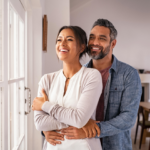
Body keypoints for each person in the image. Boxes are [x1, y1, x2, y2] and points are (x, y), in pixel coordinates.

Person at [42, 19, 142, 150]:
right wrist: (45, 130)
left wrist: (94, 130)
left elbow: (128, 118)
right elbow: (64, 109)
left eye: (102, 38)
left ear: (113, 43)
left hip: (115, 145)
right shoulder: (78, 73)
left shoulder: (128, 74)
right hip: (82, 145)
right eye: (92, 37)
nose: (95, 42)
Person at [32, 26, 103, 150]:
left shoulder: (92, 76)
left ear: (81, 47)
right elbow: (39, 122)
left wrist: (45, 105)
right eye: (59, 40)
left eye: (69, 39)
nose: (62, 44)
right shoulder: (46, 79)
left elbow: (79, 119)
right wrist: (80, 121)